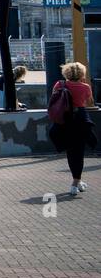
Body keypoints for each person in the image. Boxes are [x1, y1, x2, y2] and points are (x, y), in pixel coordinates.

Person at [49, 62, 94, 194]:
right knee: (78, 153)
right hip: (80, 119)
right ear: (82, 73)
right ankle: (75, 183)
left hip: (64, 120)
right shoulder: (85, 87)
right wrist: (83, 84)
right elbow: (89, 102)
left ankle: (77, 182)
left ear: (66, 73)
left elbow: (54, 99)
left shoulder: (59, 84)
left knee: (70, 152)